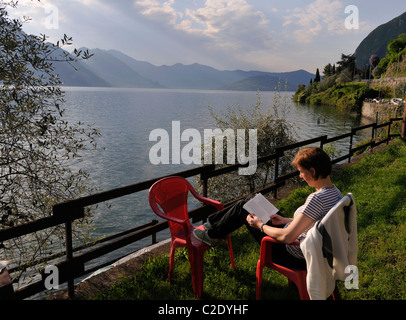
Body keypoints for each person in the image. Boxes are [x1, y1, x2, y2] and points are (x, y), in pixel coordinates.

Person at [193, 147, 342, 269]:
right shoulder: (334, 193)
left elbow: (287, 237)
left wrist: (260, 226)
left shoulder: (317, 199)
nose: (300, 176)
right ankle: (213, 225)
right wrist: (284, 219)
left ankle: (212, 234)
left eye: (301, 172)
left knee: (244, 208)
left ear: (313, 171)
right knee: (251, 200)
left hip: (291, 255)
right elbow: (316, 222)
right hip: (310, 250)